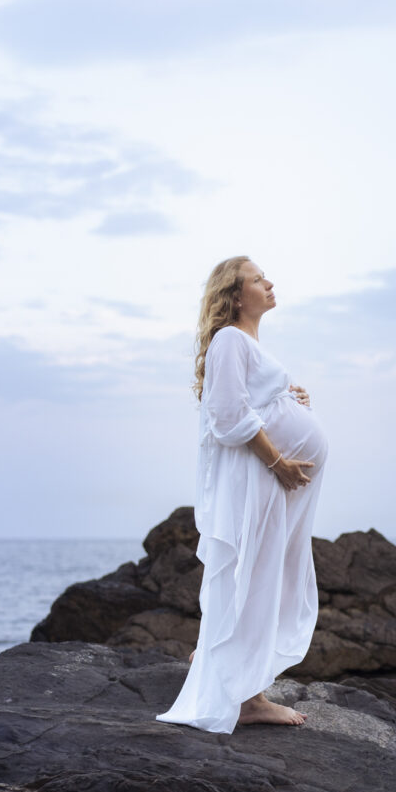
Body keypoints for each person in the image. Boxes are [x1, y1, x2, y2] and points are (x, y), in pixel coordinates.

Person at [155, 256, 328, 733]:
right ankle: (247, 696)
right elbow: (229, 415)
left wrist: (289, 398)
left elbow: (250, 400)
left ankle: (221, 655)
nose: (269, 283)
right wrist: (279, 461)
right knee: (254, 570)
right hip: (261, 478)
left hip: (271, 483)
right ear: (234, 295)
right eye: (257, 279)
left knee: (261, 571)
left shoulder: (247, 343)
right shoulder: (230, 338)